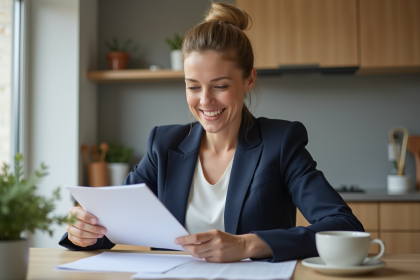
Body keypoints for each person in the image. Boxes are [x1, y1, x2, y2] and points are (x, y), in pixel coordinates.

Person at [59, 2, 364, 262]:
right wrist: (84, 231)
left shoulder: (280, 143)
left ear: (249, 80)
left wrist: (247, 244)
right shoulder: (164, 145)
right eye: (193, 86)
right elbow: (112, 225)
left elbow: (345, 226)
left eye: (220, 86)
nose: (205, 101)